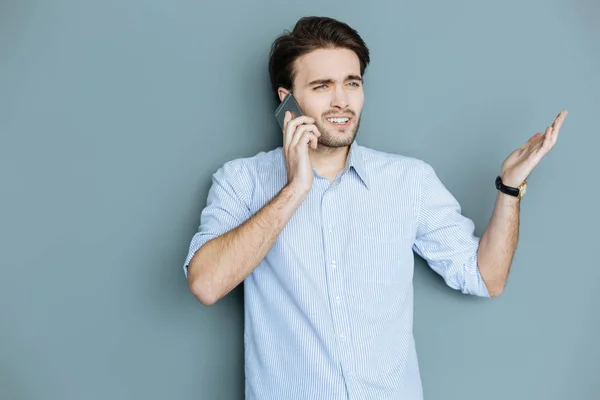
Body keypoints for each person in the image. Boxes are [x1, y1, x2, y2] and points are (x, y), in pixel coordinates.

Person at [182, 16, 567, 400]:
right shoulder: (241, 180)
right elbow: (206, 284)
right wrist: (296, 188)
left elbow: (486, 278)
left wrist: (509, 187)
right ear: (287, 101)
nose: (342, 100)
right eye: (322, 86)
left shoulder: (408, 181)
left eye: (352, 83)